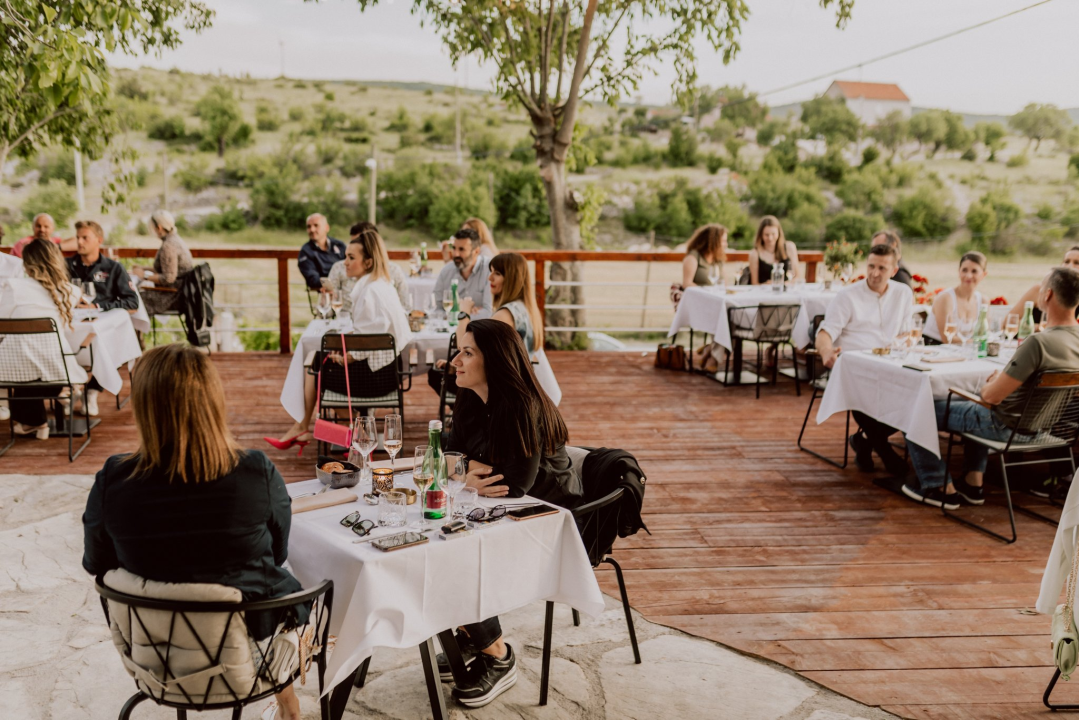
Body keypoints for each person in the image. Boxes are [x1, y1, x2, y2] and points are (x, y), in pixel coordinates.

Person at [81, 344, 309, 720]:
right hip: (250, 660)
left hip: (155, 659)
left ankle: (286, 701)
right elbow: (279, 552)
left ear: (143, 406)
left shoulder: (112, 481)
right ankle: (287, 701)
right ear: (213, 400)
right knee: (283, 584)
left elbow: (98, 564)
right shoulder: (255, 471)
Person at [439, 318, 580, 708]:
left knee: (455, 551)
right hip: (503, 510)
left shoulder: (521, 406)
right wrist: (465, 472)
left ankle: (498, 655)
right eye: (459, 350)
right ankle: (472, 634)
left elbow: (513, 483)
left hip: (550, 521)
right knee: (440, 540)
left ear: (495, 361)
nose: (456, 361)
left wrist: (461, 472)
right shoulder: (470, 396)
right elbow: (448, 457)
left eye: (467, 353)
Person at [903, 267, 1079, 509]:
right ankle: (973, 481)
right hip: (1045, 428)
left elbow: (992, 396)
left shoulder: (1039, 342)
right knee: (975, 400)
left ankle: (936, 484)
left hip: (1004, 427)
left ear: (1047, 295)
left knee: (917, 406)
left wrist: (992, 384)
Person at [269, 230, 412, 450]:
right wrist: (349, 349)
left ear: (368, 262)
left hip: (377, 379)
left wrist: (349, 357)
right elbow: (374, 334)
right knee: (316, 359)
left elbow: (367, 343)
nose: (344, 262)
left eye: (351, 258)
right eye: (346, 256)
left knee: (316, 371)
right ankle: (310, 427)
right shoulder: (382, 285)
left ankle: (351, 428)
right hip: (391, 371)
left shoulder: (370, 292)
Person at [815, 244, 915, 478]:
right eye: (871, 266)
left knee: (914, 397)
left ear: (894, 270)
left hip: (892, 364)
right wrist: (826, 352)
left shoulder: (903, 294)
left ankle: (864, 440)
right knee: (860, 390)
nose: (875, 273)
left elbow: (906, 333)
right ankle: (885, 451)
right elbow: (825, 332)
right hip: (855, 368)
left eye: (882, 267)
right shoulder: (848, 295)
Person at [0, 238, 87, 439]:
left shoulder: (12, 287)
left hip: (9, 371)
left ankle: (36, 422)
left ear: (27, 263)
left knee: (23, 360)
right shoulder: (71, 291)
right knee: (47, 358)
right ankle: (64, 391)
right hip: (57, 369)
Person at [65, 220, 141, 416]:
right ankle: (70, 387)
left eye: (85, 238)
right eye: (78, 238)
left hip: (102, 327)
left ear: (99, 240)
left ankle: (92, 389)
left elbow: (132, 303)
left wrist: (99, 306)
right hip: (72, 325)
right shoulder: (66, 265)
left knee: (103, 339)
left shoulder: (114, 268)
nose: (80, 242)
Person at [325, 221, 410, 314]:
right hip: (344, 321)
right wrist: (326, 299)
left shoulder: (392, 272)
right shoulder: (339, 268)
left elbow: (405, 307)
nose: (346, 262)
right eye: (353, 242)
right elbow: (327, 312)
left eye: (360, 243)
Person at [133, 211, 194, 317]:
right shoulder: (175, 240)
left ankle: (134, 332)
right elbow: (166, 268)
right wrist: (142, 268)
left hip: (173, 296)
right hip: (179, 292)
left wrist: (144, 275)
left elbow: (169, 278)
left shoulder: (169, 246)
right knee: (135, 297)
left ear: (159, 227)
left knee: (133, 300)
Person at [924, 251, 987, 344]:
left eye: (974, 271)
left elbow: (983, 333)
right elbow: (947, 339)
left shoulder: (983, 301)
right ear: (959, 272)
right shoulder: (946, 298)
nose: (968, 275)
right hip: (934, 347)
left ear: (983, 275)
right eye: (964, 270)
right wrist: (977, 342)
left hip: (963, 351)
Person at [1007, 246, 1079, 324]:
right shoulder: (1039, 290)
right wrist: (1038, 328)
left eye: (1077, 263)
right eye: (1066, 261)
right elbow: (1008, 322)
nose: (1070, 266)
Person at [433, 227, 492, 319]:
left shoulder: (489, 270)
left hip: (479, 331)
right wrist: (466, 312)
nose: (456, 254)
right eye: (454, 248)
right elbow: (436, 308)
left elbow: (489, 312)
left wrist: (455, 314)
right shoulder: (446, 271)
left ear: (476, 251)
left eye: (461, 249)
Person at [298, 213, 346, 292]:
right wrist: (331, 285)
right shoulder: (305, 251)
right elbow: (312, 279)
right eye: (309, 226)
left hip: (347, 286)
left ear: (326, 228)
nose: (312, 229)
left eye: (316, 225)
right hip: (326, 292)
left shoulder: (339, 245)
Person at [748, 216, 799, 284]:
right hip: (763, 292)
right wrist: (768, 284)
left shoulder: (789, 247)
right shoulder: (754, 254)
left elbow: (797, 277)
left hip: (785, 291)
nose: (770, 238)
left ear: (779, 233)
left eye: (773, 234)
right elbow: (754, 283)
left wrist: (783, 284)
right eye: (766, 235)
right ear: (761, 235)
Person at [11, 213, 77, 257]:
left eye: (46, 227)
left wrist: (56, 246)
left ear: (52, 229)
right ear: (33, 227)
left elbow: (77, 242)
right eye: (38, 226)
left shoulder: (55, 241)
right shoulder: (23, 243)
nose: (42, 230)